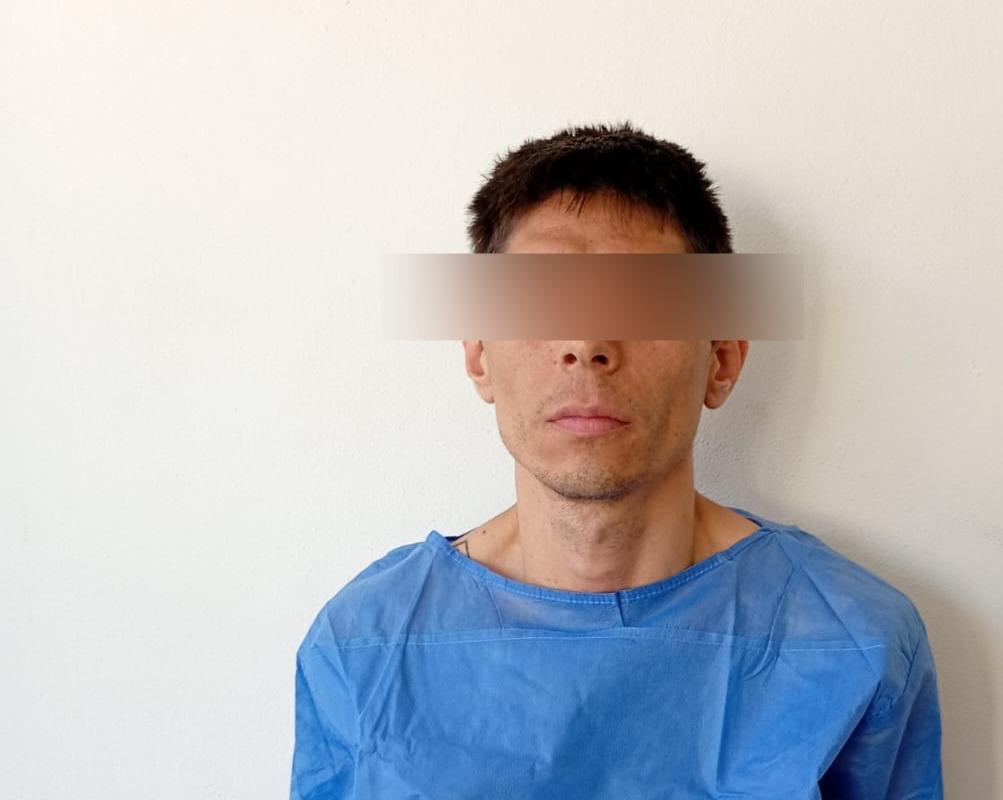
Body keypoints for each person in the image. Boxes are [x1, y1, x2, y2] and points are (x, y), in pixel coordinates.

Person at [290, 122, 944, 799]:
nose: (587, 342)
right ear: (479, 355)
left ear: (721, 359)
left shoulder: (853, 645)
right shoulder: (361, 649)